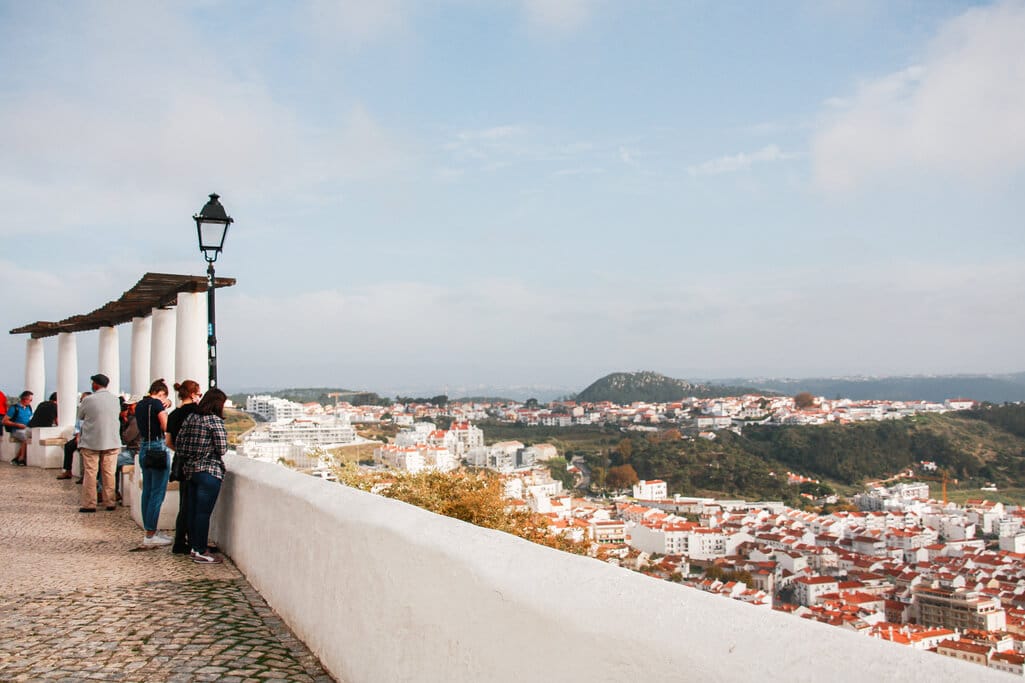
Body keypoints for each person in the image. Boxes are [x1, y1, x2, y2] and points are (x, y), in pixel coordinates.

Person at [176, 388, 228, 564]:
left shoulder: (191, 418)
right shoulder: (214, 421)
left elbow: (179, 444)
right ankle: (200, 550)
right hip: (209, 471)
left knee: (192, 510)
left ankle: (193, 546)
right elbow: (222, 449)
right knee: (203, 513)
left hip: (190, 470)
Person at [167, 380, 202, 554]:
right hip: (196, 463)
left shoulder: (173, 415)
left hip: (180, 462)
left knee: (184, 503)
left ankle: (180, 539)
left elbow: (168, 442)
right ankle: (191, 541)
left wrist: (181, 451)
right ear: (193, 393)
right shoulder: (197, 413)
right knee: (194, 504)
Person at [136, 379, 173, 547]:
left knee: (148, 491)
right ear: (161, 394)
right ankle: (151, 534)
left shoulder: (140, 405)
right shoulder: (157, 405)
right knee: (158, 493)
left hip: (144, 448)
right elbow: (166, 427)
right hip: (158, 448)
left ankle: (149, 531)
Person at [77, 375, 120, 512]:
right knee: (109, 473)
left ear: (95, 385)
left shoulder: (88, 400)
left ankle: (89, 504)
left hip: (91, 441)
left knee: (90, 473)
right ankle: (110, 502)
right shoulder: (115, 400)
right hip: (112, 441)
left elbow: (80, 416)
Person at [4, 391, 34, 466]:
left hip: (26, 428)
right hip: (16, 430)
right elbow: (4, 421)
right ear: (24, 399)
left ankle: (17, 458)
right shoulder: (14, 408)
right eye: (30, 400)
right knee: (25, 437)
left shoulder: (29, 408)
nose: (31, 402)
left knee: (33, 435)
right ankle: (21, 458)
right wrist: (17, 424)